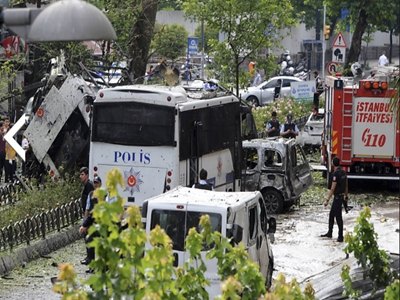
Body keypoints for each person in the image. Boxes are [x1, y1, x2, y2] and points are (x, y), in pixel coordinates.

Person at [321, 157, 348, 242]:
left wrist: (327, 200)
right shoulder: (343, 172)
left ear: (333, 163)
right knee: (332, 215)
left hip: (337, 198)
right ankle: (330, 232)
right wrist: (346, 196)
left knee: (338, 217)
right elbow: (346, 185)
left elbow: (332, 189)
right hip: (341, 197)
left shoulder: (335, 174)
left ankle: (340, 237)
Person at [79, 175, 102, 270]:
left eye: (97, 183)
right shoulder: (91, 194)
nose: (96, 185)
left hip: (101, 222)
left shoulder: (104, 195)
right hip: (92, 221)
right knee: (89, 241)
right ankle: (91, 264)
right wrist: (84, 222)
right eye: (95, 183)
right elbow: (88, 209)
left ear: (100, 184)